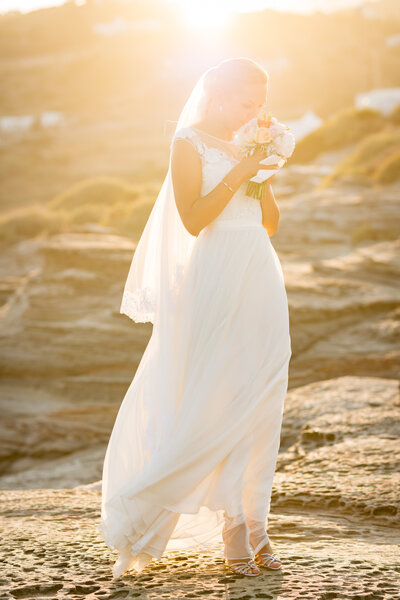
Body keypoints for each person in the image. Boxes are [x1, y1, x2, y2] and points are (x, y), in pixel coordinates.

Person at [98, 57, 292, 579]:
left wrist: (263, 174)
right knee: (219, 396)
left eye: (261, 104)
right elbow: (193, 218)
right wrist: (240, 171)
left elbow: (269, 224)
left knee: (262, 396)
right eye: (248, 103)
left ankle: (254, 528)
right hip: (217, 273)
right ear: (221, 96)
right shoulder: (188, 142)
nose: (256, 112)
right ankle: (218, 529)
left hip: (259, 273)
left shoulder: (250, 149)